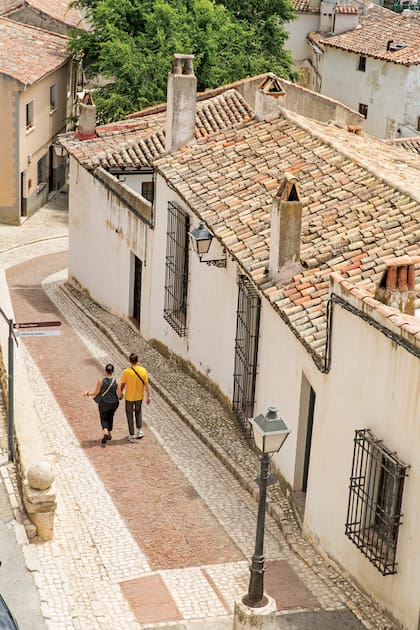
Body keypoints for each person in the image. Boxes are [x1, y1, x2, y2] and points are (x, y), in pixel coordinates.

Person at [84, 364, 121, 445]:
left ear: (105, 371)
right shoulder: (117, 381)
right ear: (113, 371)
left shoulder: (101, 381)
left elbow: (96, 392)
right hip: (114, 403)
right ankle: (110, 433)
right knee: (111, 416)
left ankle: (105, 432)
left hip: (104, 402)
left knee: (103, 417)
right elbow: (120, 394)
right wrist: (121, 397)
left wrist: (87, 393)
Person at [120, 353, 151, 442]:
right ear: (138, 360)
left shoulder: (126, 372)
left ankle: (132, 435)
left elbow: (123, 384)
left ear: (130, 361)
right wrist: (149, 396)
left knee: (129, 415)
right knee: (138, 412)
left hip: (129, 397)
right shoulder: (143, 370)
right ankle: (139, 431)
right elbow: (146, 384)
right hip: (139, 396)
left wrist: (120, 392)